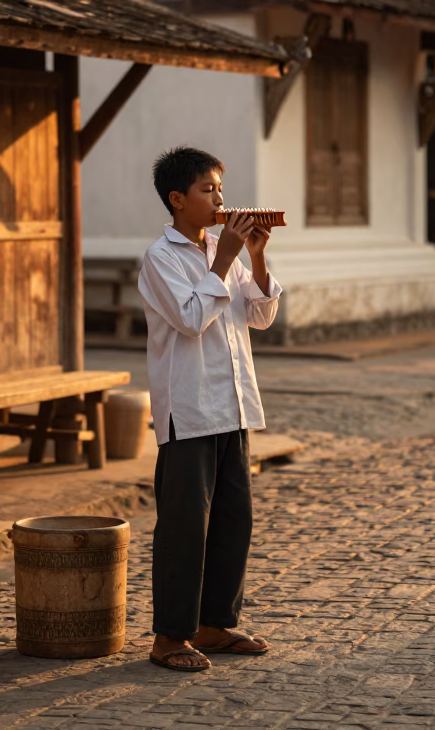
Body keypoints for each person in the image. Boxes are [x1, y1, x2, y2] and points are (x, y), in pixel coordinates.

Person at [138, 146, 282, 673]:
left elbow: (260, 316)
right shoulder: (162, 258)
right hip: (189, 410)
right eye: (207, 190)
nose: (220, 198)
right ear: (177, 200)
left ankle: (214, 624)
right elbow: (193, 318)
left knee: (232, 520)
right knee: (183, 526)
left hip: (234, 404)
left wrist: (258, 256)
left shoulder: (226, 247)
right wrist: (224, 261)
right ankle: (169, 636)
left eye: (221, 188)